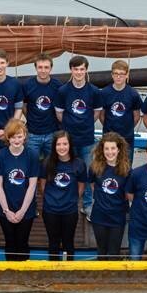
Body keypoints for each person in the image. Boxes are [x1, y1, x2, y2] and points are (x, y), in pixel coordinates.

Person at [55, 55, 103, 215]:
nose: (79, 72)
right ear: (71, 70)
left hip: (88, 139)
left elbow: (96, 112)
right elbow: (59, 114)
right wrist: (72, 125)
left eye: (82, 69)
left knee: (89, 173)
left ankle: (88, 204)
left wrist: (85, 123)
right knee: (68, 172)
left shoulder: (94, 91)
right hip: (69, 141)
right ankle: (68, 201)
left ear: (86, 70)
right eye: (76, 69)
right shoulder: (62, 91)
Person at [0, 119, 39, 261]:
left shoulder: (32, 155)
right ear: (8, 137)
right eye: (13, 136)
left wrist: (23, 210)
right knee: (10, 243)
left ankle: (24, 280)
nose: (16, 140)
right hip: (6, 209)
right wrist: (7, 211)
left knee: (22, 242)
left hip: (26, 209)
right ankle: (11, 277)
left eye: (19, 136)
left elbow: (32, 186)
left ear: (25, 136)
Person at [39, 130, 86, 261]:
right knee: (53, 243)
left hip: (69, 211)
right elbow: (42, 185)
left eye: (65, 144)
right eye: (58, 144)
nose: (62, 147)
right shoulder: (47, 163)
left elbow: (81, 186)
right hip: (50, 210)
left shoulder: (79, 164)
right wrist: (51, 199)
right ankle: (53, 273)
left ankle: (67, 272)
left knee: (68, 243)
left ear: (70, 145)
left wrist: (72, 200)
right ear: (54, 146)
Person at [89, 132, 131, 260]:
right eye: (106, 148)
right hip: (99, 216)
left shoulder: (127, 170)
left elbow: (127, 194)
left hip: (117, 217)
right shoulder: (95, 167)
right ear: (102, 150)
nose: (110, 152)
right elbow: (92, 185)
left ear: (119, 149)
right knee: (101, 252)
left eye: (113, 148)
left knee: (114, 253)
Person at [100, 60, 141, 163]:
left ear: (127, 75)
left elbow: (136, 116)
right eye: (116, 74)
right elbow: (102, 115)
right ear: (112, 75)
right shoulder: (104, 93)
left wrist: (127, 128)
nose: (118, 77)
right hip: (108, 138)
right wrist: (109, 129)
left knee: (126, 169)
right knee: (107, 168)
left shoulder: (133, 94)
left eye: (122, 74)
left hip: (127, 139)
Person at [23, 53, 62, 158]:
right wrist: (32, 118)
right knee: (32, 164)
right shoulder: (27, 85)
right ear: (35, 68)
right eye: (40, 67)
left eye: (46, 67)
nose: (43, 70)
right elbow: (24, 106)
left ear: (51, 68)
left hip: (52, 133)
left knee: (52, 165)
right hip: (32, 134)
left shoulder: (58, 86)